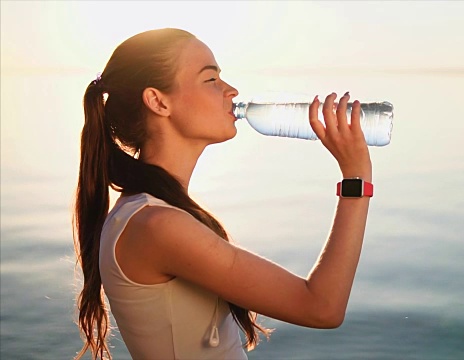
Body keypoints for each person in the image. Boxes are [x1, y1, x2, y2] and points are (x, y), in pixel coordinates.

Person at [73, 28, 373, 360]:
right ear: (158, 101)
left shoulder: (151, 213)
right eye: (211, 79)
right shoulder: (157, 225)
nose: (231, 91)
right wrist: (356, 179)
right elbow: (322, 307)